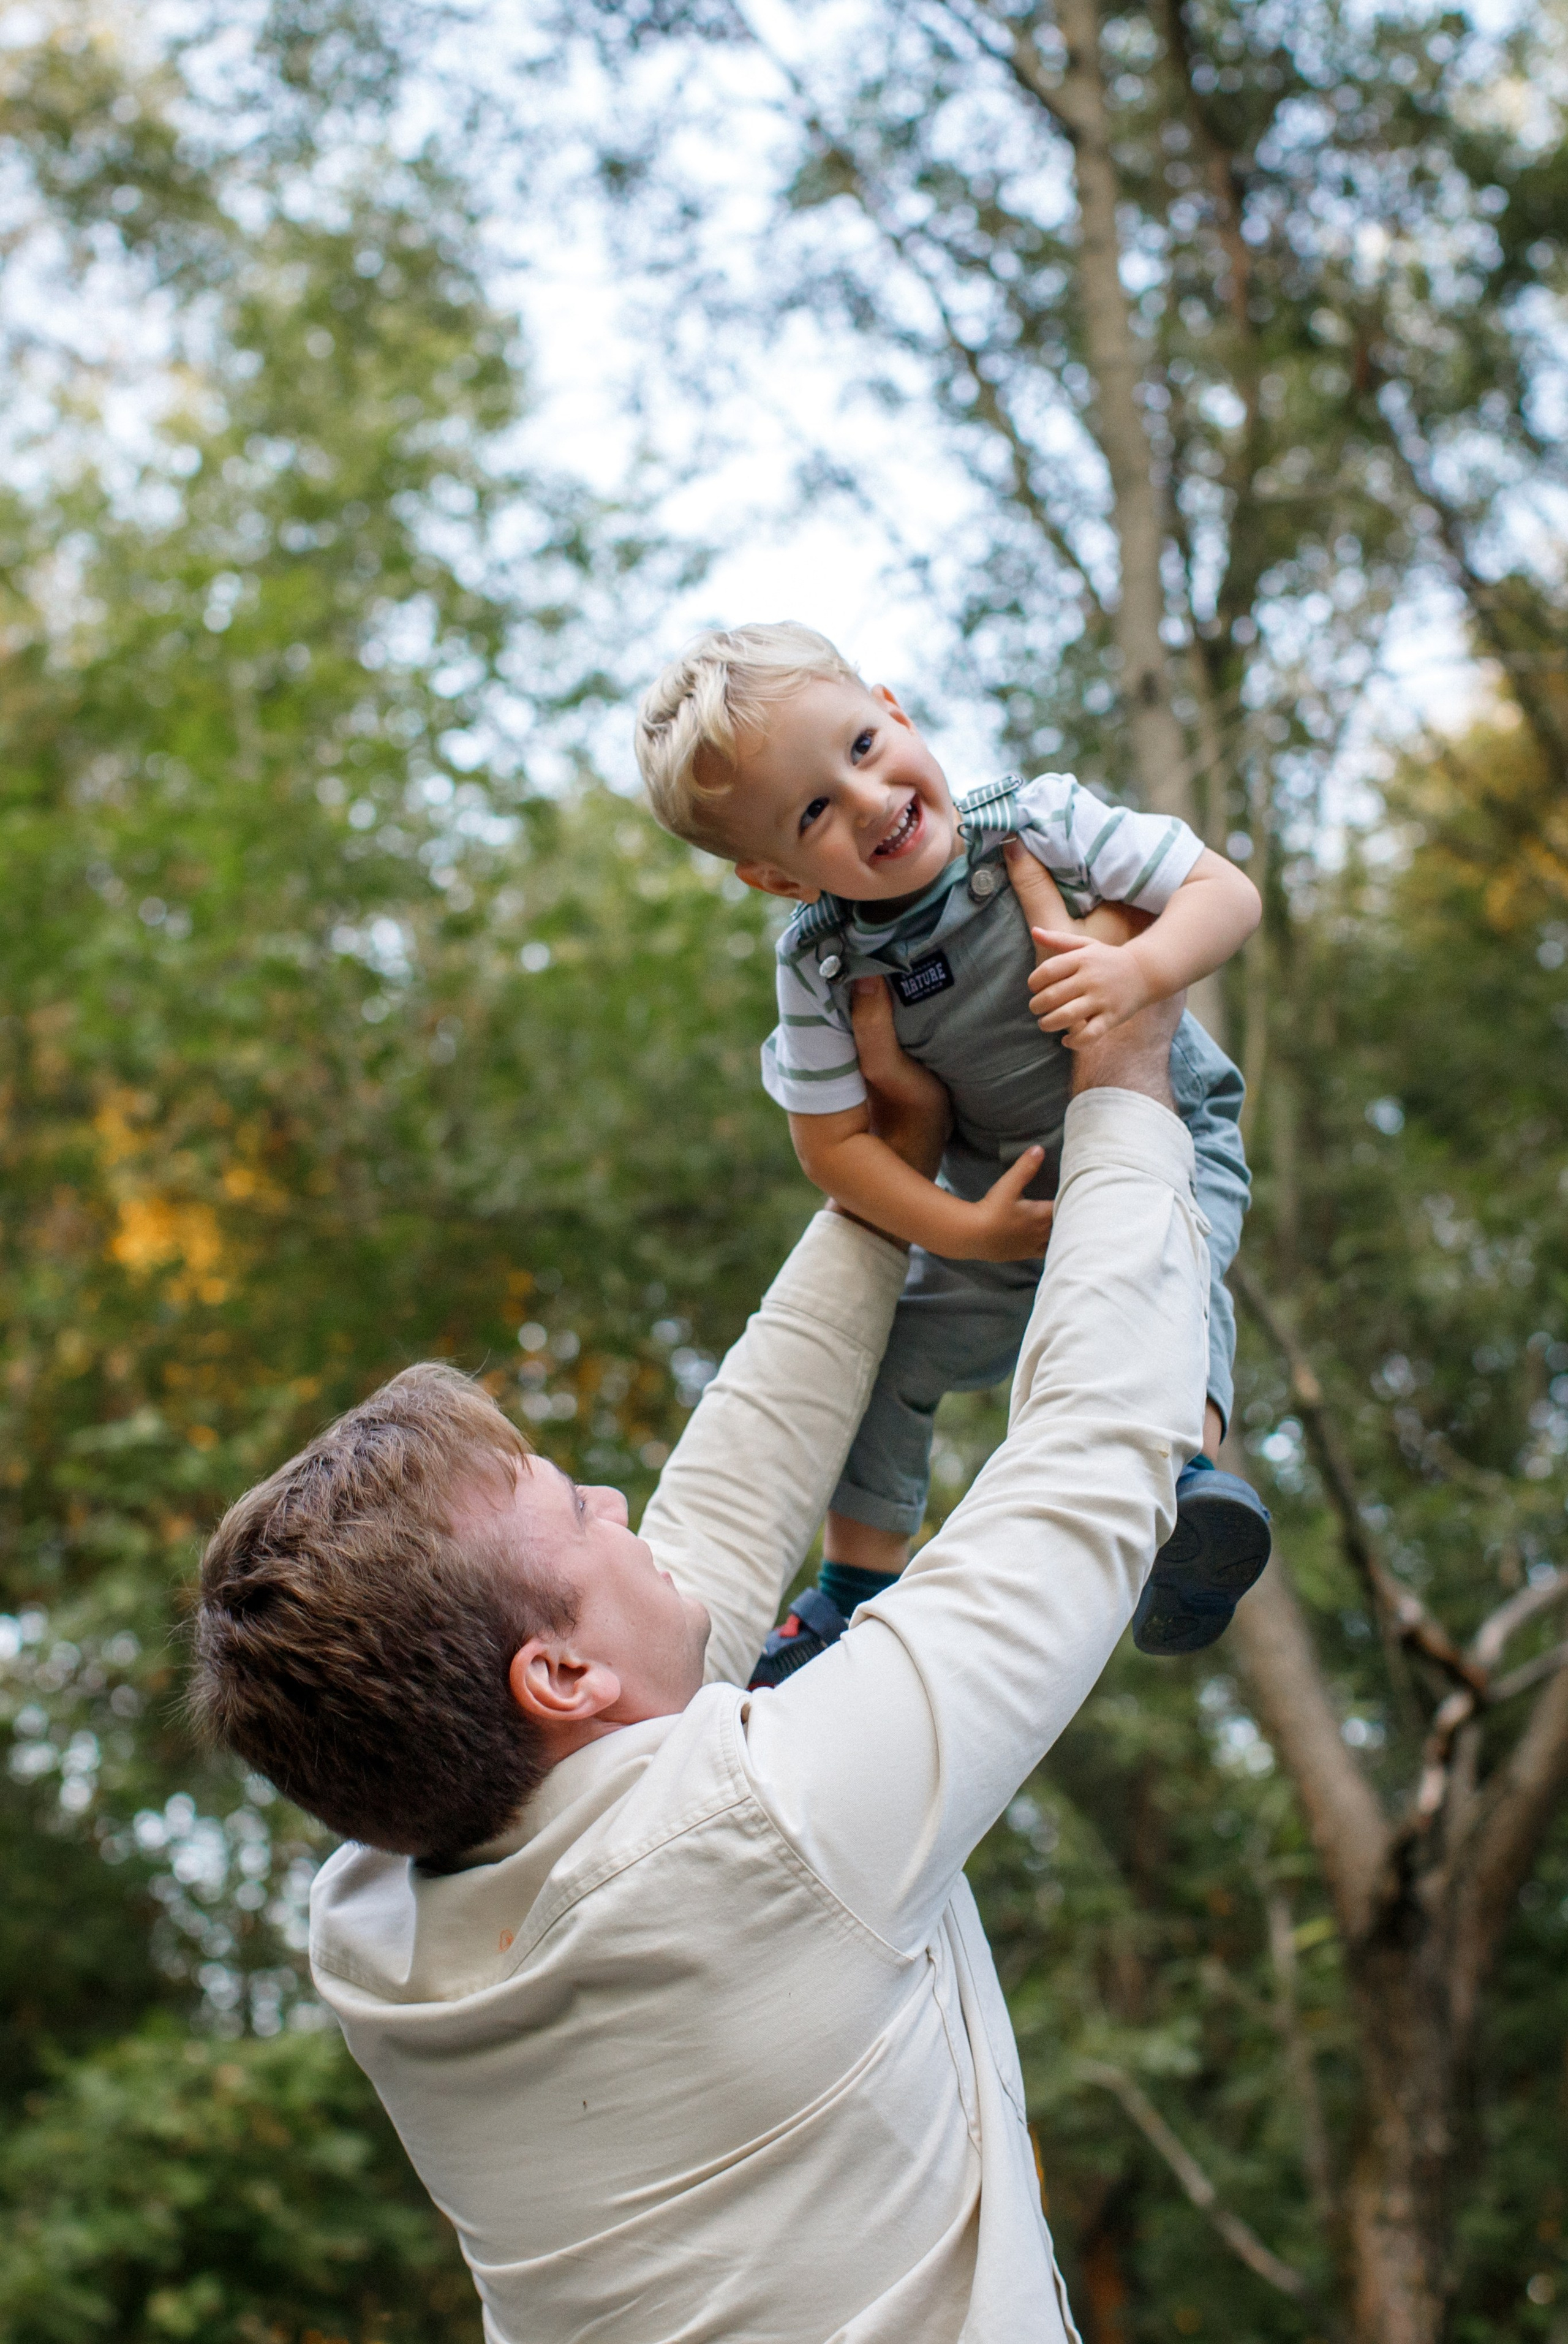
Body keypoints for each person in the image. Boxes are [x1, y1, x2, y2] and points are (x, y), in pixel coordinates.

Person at [192, 933, 1213, 2344]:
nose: (621, 1502)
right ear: (555, 1677)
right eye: (577, 1508)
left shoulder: (377, 1931)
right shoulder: (768, 1835)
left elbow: (699, 1559)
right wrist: (1123, 1085)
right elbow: (1088, 1461)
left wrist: (879, 1200)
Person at [635, 622, 1270, 1667]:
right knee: (888, 1354)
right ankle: (852, 1590)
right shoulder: (819, 966)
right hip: (1007, 1214)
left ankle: (1186, 1487)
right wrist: (964, 1235)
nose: (870, 801)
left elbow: (1224, 893)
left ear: (895, 710)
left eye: (861, 750)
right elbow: (834, 1149)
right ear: (780, 878)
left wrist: (1137, 973)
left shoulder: (1036, 819)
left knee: (1170, 1269)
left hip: (1171, 1136)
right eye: (813, 812)